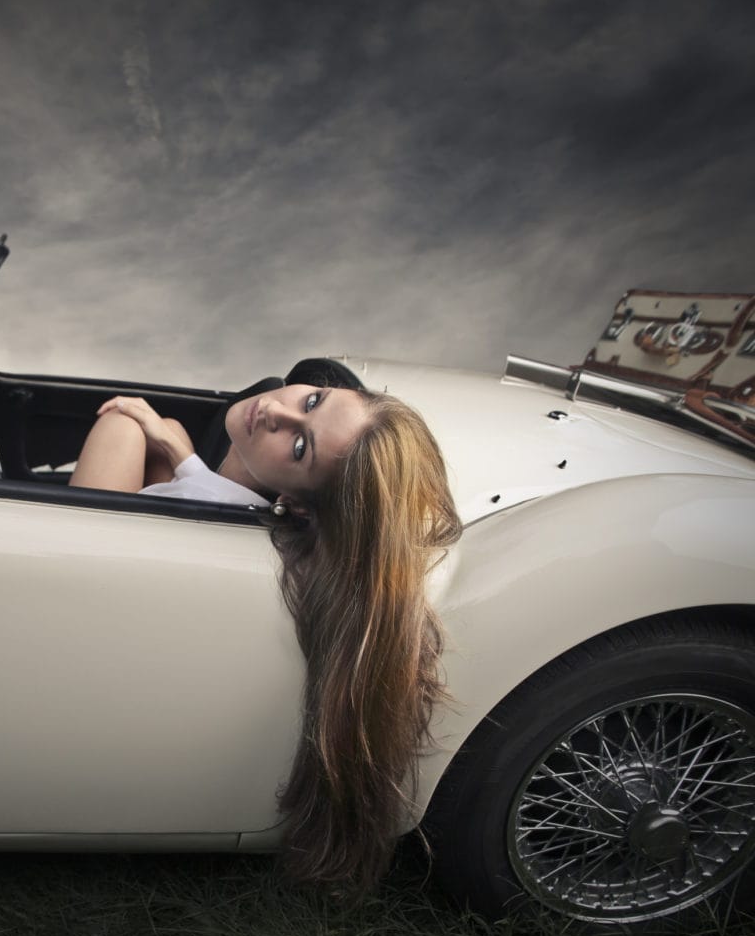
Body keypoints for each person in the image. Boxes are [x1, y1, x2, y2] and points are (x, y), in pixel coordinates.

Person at [69, 380, 463, 893]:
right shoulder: (260, 515)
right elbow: (211, 487)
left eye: (300, 447)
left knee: (122, 424)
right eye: (312, 400)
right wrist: (178, 451)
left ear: (296, 506)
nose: (275, 409)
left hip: (88, 578)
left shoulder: (214, 535)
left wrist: (152, 436)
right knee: (166, 428)